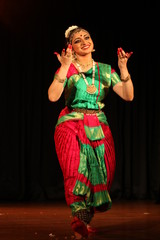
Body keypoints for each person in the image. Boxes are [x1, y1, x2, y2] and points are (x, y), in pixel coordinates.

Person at [48, 25, 134, 239]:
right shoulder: (67, 68)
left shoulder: (105, 70)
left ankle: (85, 219)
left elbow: (128, 95)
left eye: (87, 37)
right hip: (71, 123)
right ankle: (78, 219)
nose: (84, 41)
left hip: (98, 124)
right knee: (75, 169)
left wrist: (123, 68)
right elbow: (52, 96)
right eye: (78, 40)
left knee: (104, 174)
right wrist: (65, 66)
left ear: (93, 43)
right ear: (72, 48)